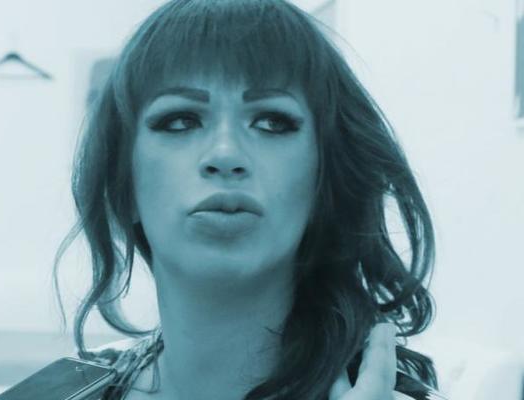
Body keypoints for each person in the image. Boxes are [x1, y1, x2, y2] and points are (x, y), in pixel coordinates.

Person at [53, 0, 447, 399]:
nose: (225, 154)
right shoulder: (60, 391)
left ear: (325, 181)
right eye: (180, 121)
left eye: (272, 122)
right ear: (122, 184)